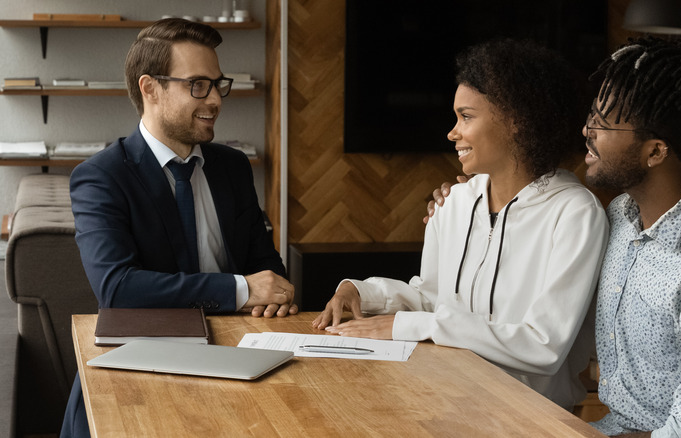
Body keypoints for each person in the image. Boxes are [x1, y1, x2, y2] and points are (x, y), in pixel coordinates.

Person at [430, 37, 681, 437]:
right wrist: (463, 204)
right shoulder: (622, 217)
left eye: (602, 122)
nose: (585, 130)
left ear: (655, 151)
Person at [313, 38, 609, 410]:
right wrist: (361, 293)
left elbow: (543, 346)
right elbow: (433, 298)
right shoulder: (453, 203)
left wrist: (411, 326)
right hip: (446, 399)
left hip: (531, 419)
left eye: (466, 117)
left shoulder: (576, 215)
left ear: (517, 120)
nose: (453, 132)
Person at [61, 18, 297, 437]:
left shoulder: (232, 167)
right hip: (139, 370)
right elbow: (118, 288)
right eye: (198, 85)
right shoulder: (101, 177)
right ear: (150, 88)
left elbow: (267, 269)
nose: (215, 100)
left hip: (243, 363)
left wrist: (273, 294)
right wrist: (240, 290)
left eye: (218, 85)